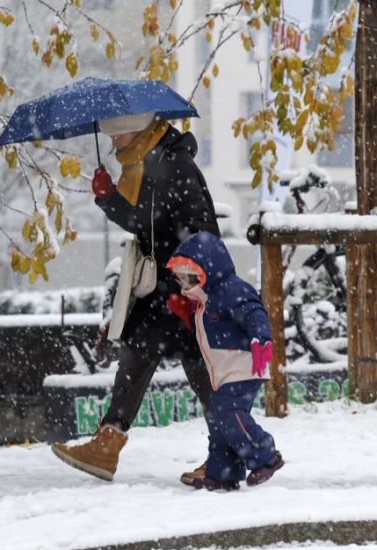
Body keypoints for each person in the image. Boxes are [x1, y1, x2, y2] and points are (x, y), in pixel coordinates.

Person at [51, 111, 220, 483]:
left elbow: (193, 224)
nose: (113, 145)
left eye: (117, 137)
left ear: (136, 129)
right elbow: (149, 220)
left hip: (184, 286)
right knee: (141, 352)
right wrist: (108, 197)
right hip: (166, 283)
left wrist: (191, 285)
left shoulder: (174, 163)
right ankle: (107, 445)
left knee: (195, 365)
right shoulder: (153, 162)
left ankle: (228, 449)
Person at [166, 230, 284, 490]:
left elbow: (254, 311)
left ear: (205, 270)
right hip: (224, 370)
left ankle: (265, 455)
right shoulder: (205, 299)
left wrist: (261, 338)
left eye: (186, 277)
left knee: (227, 412)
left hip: (244, 365)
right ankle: (223, 473)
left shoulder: (231, 289)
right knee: (218, 416)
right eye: (180, 279)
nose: (183, 285)